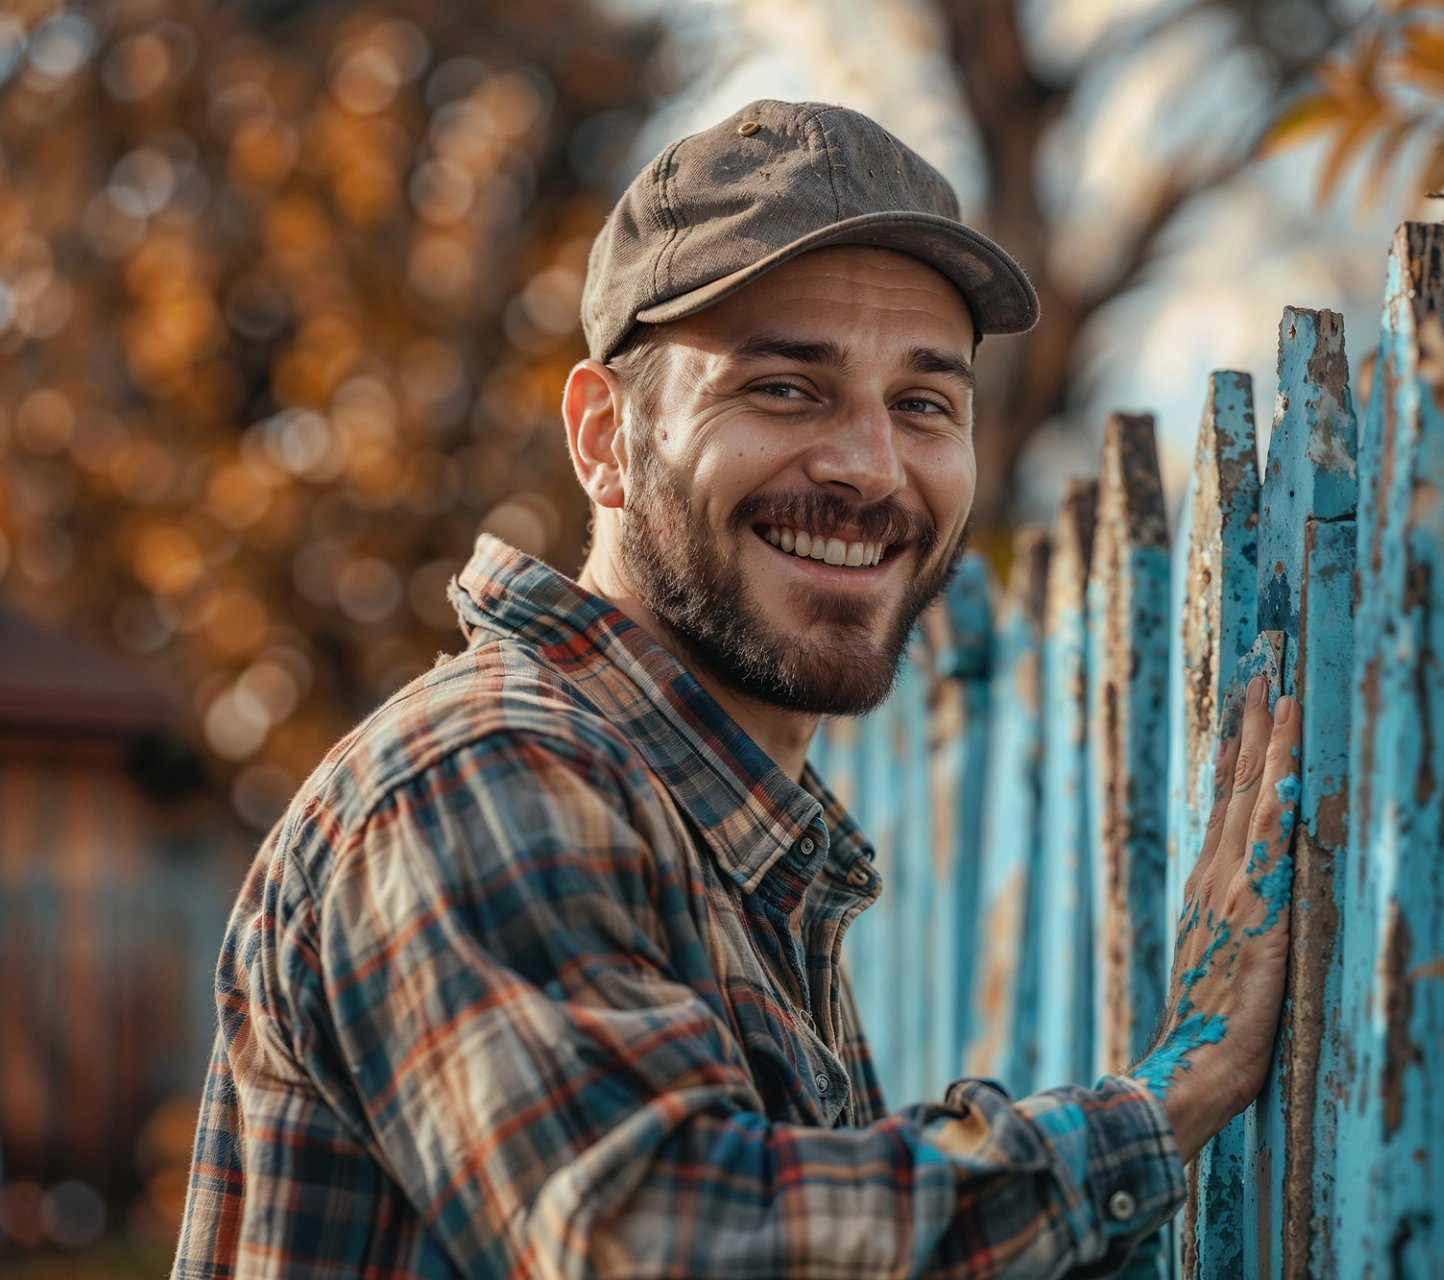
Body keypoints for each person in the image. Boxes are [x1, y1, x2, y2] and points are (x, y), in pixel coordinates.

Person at [172, 99, 1302, 1279]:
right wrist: (1174, 1092)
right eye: (783, 387)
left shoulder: (730, 841)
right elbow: (668, 1242)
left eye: (924, 403)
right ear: (604, 436)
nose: (868, 467)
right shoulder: (481, 772)